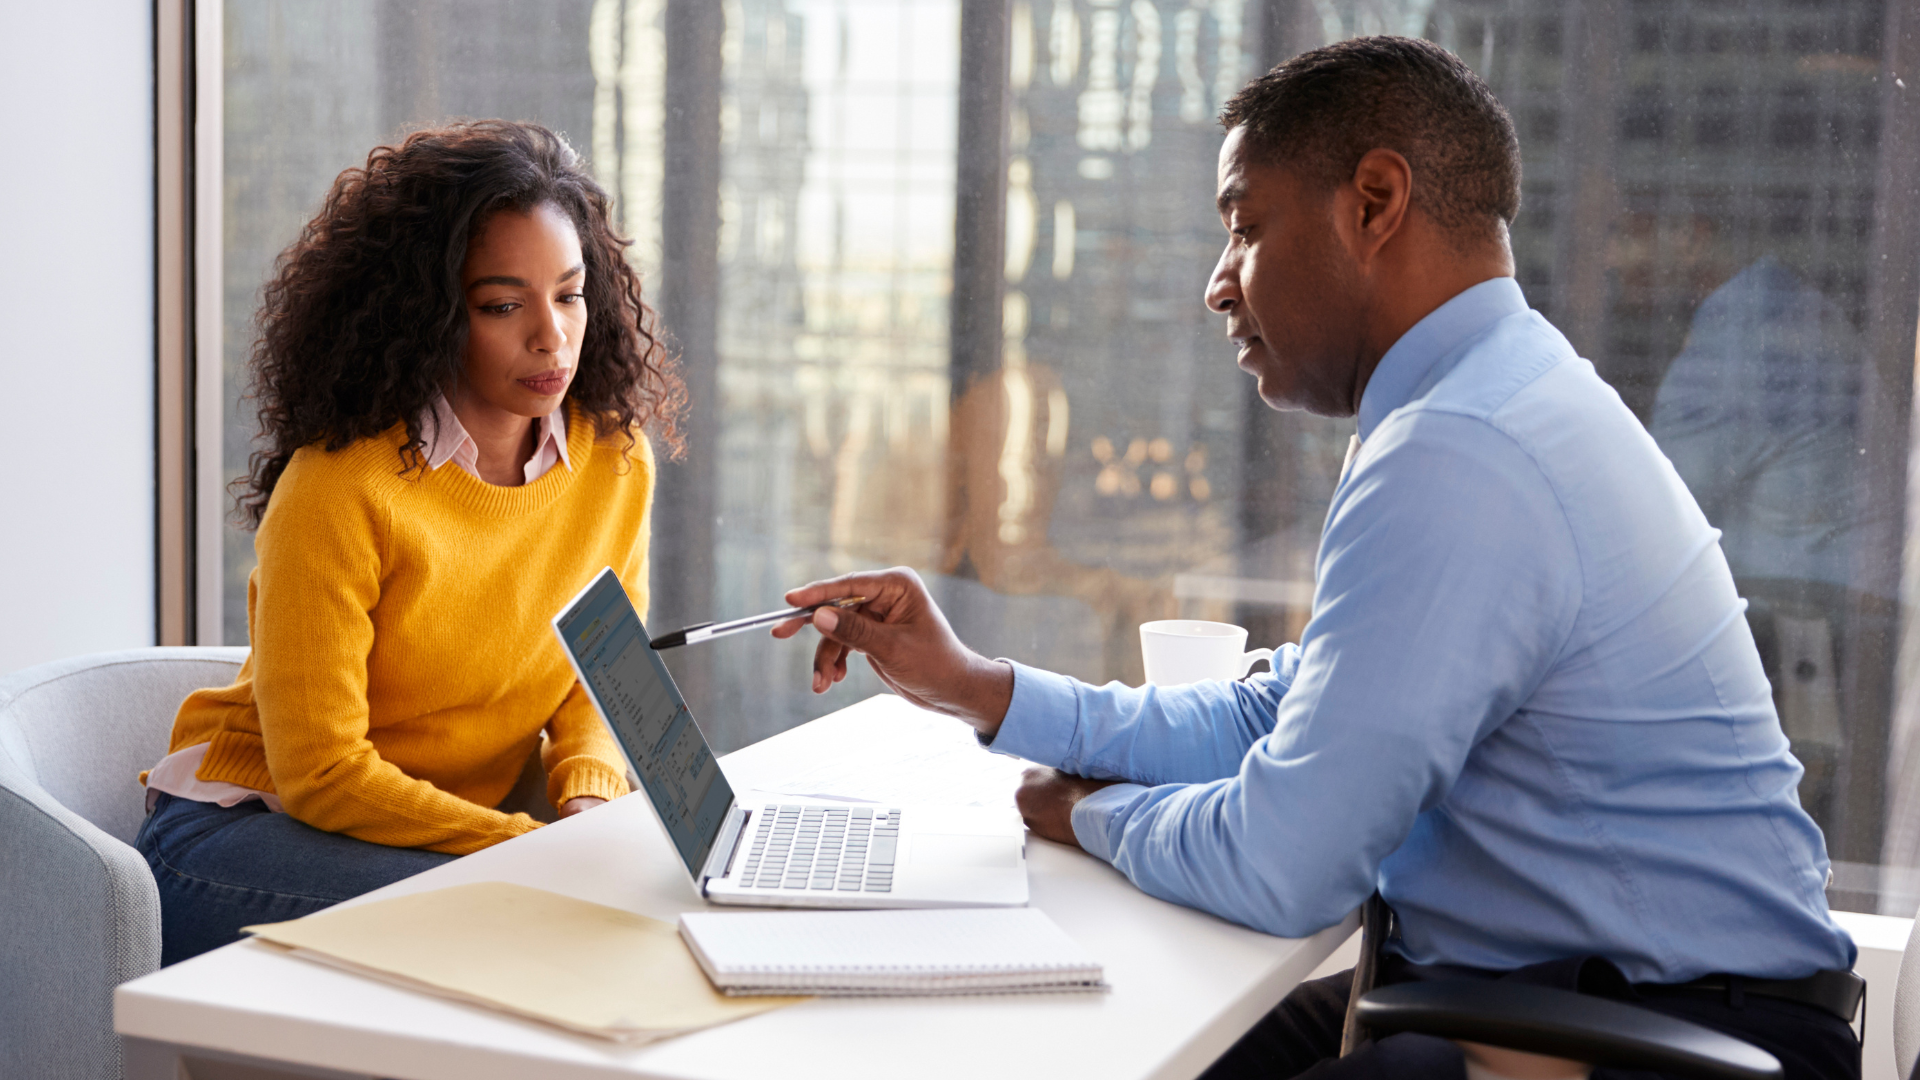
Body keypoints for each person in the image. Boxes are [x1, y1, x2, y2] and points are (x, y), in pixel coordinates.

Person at [772, 38, 1860, 1080]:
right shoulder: (1489, 395)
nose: (1218, 282)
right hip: (1573, 1010)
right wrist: (980, 689)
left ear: (1375, 205)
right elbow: (1281, 714)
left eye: (1244, 226)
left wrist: (1086, 811)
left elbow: (1280, 865)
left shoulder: (1464, 449)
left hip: (1648, 1043)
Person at [136, 120, 683, 965]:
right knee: (540, 932)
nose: (552, 336)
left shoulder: (614, 459)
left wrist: (585, 801)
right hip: (246, 837)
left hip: (436, 835)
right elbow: (321, 775)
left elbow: (596, 678)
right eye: (504, 305)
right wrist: (525, 848)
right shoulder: (340, 489)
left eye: (569, 294)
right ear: (428, 315)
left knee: (624, 913)